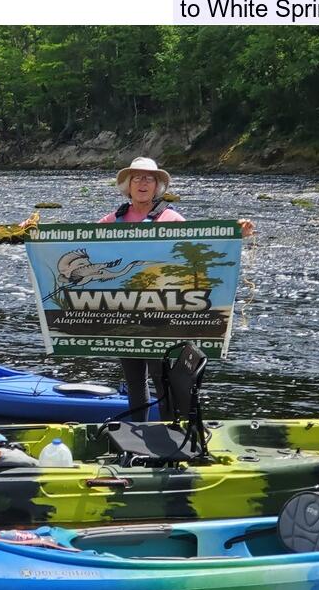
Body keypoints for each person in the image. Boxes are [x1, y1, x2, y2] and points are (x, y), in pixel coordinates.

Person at [99, 157, 254, 420]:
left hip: (161, 313)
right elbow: (76, 243)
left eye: (149, 178)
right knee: (135, 382)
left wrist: (236, 232)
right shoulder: (112, 219)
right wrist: (35, 233)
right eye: (137, 178)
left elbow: (204, 242)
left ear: (157, 186)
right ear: (128, 185)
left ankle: (172, 432)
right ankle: (141, 435)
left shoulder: (170, 217)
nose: (143, 183)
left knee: (161, 379)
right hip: (124, 312)